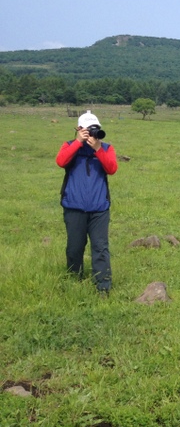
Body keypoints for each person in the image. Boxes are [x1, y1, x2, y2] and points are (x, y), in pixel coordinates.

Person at [56, 111, 118, 295]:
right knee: (75, 246)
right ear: (79, 129)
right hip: (74, 207)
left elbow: (112, 169)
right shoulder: (69, 146)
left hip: (99, 208)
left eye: (96, 129)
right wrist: (77, 142)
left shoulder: (106, 148)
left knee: (100, 247)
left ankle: (103, 286)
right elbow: (61, 161)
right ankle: (74, 279)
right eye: (88, 130)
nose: (92, 133)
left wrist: (98, 149)